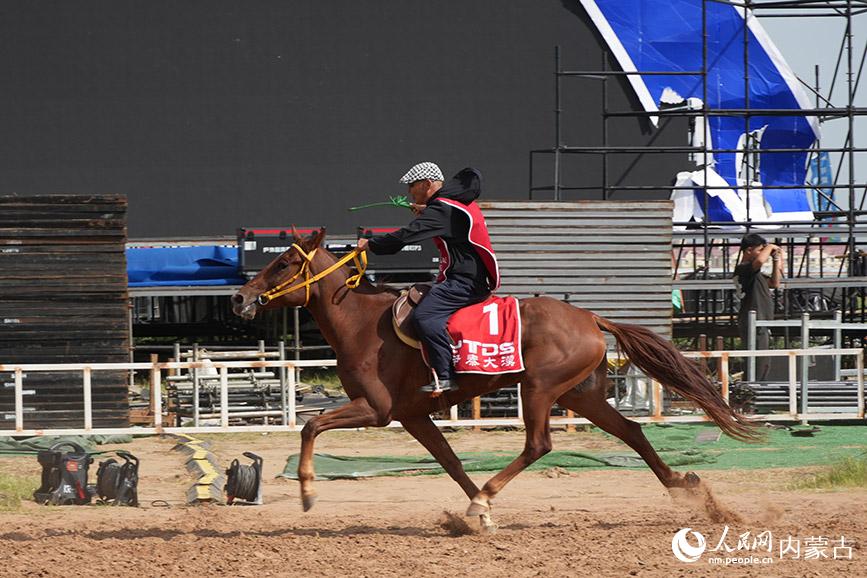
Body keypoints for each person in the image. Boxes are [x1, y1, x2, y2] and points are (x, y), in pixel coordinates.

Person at [356, 162, 499, 393]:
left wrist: (371, 244)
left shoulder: (442, 209)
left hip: (464, 281)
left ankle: (445, 375)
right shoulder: (454, 203)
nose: (409, 192)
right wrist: (427, 210)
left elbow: (407, 235)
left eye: (412, 185)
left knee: (425, 316)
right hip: (467, 277)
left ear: (427, 184)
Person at [733, 233, 784, 381]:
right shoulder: (743, 269)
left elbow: (774, 283)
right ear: (749, 250)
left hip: (761, 321)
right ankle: (753, 392)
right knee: (756, 362)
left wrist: (775, 259)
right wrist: (770, 247)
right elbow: (760, 261)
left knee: (762, 360)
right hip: (753, 321)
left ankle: (756, 390)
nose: (762, 253)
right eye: (759, 249)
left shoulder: (755, 274)